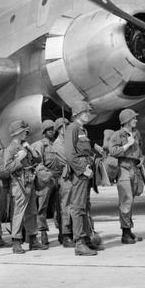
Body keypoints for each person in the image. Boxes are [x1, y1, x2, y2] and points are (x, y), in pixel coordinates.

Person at [4, 120, 48, 254]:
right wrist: (18, 159)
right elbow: (7, 168)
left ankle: (33, 239)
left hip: (30, 181)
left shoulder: (25, 145)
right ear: (17, 133)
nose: (26, 133)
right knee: (19, 213)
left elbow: (38, 160)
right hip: (19, 183)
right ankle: (16, 242)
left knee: (32, 211)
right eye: (23, 131)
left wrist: (30, 149)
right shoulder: (10, 149)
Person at [63, 101, 99, 256]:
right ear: (77, 113)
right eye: (85, 112)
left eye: (88, 112)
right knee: (78, 207)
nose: (88, 114)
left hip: (86, 171)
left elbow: (83, 151)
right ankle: (79, 243)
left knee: (84, 206)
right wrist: (83, 170)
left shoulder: (82, 129)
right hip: (81, 173)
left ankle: (86, 240)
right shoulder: (72, 128)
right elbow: (70, 155)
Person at [109, 108, 145, 244]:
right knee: (126, 199)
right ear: (127, 121)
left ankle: (129, 230)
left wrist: (141, 158)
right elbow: (113, 151)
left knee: (132, 199)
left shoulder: (136, 133)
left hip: (135, 168)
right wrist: (128, 145)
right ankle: (125, 233)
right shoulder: (118, 135)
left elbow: (140, 148)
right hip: (123, 168)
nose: (136, 120)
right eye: (133, 118)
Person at [45, 117, 73, 248]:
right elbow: (68, 159)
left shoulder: (69, 141)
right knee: (65, 207)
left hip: (73, 177)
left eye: (68, 125)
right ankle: (66, 234)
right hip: (65, 178)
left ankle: (72, 232)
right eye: (64, 126)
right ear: (60, 130)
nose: (67, 128)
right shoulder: (58, 144)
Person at [32, 119, 55, 246]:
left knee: (60, 207)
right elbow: (38, 163)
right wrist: (47, 175)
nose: (51, 131)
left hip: (57, 178)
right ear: (44, 132)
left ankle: (64, 232)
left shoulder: (56, 144)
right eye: (49, 130)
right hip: (45, 180)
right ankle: (43, 232)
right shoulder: (40, 145)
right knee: (42, 208)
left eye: (53, 129)